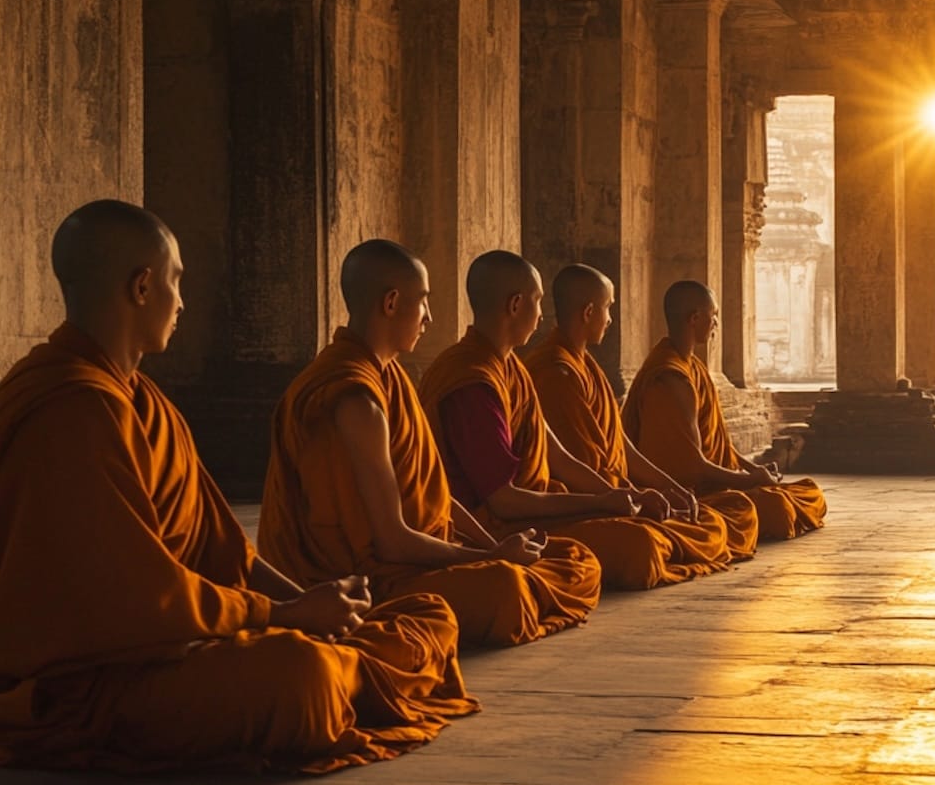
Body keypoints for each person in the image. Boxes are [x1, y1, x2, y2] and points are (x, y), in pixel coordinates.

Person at [0, 201, 477, 775]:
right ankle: (339, 668)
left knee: (426, 615)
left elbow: (222, 550)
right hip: (84, 681)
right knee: (304, 677)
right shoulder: (70, 411)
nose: (184, 302)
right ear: (143, 286)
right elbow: (129, 600)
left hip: (180, 643)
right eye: (178, 283)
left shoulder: (146, 405)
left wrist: (302, 606)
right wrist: (283, 617)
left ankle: (343, 661)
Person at [257, 239, 602, 648]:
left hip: (417, 556)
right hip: (356, 581)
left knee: (576, 561)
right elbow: (392, 539)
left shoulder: (393, 380)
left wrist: (493, 547)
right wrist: (489, 560)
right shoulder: (354, 398)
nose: (429, 318)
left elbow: (436, 495)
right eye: (423, 302)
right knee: (505, 589)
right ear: (390, 303)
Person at [417, 251, 726, 590]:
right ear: (516, 305)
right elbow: (503, 500)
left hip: (534, 511)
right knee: (638, 546)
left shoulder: (513, 371)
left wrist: (624, 495)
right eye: (537, 302)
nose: (541, 315)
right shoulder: (475, 380)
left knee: (692, 525)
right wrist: (602, 501)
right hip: (498, 523)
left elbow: (558, 456)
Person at [524, 264, 756, 561]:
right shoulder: (556, 374)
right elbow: (572, 466)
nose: (610, 319)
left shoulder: (588, 369)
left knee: (717, 520)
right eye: (608, 308)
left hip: (615, 495)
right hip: (582, 502)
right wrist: (629, 497)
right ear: (588, 312)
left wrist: (669, 490)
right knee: (645, 547)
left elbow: (622, 447)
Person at [624, 280, 826, 542]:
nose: (717, 323)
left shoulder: (694, 368)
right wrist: (748, 481)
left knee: (809, 492)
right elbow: (689, 467)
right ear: (695, 318)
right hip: (686, 491)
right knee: (777, 510)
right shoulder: (669, 379)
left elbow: (720, 447)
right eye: (714, 315)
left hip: (713, 483)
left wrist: (752, 470)